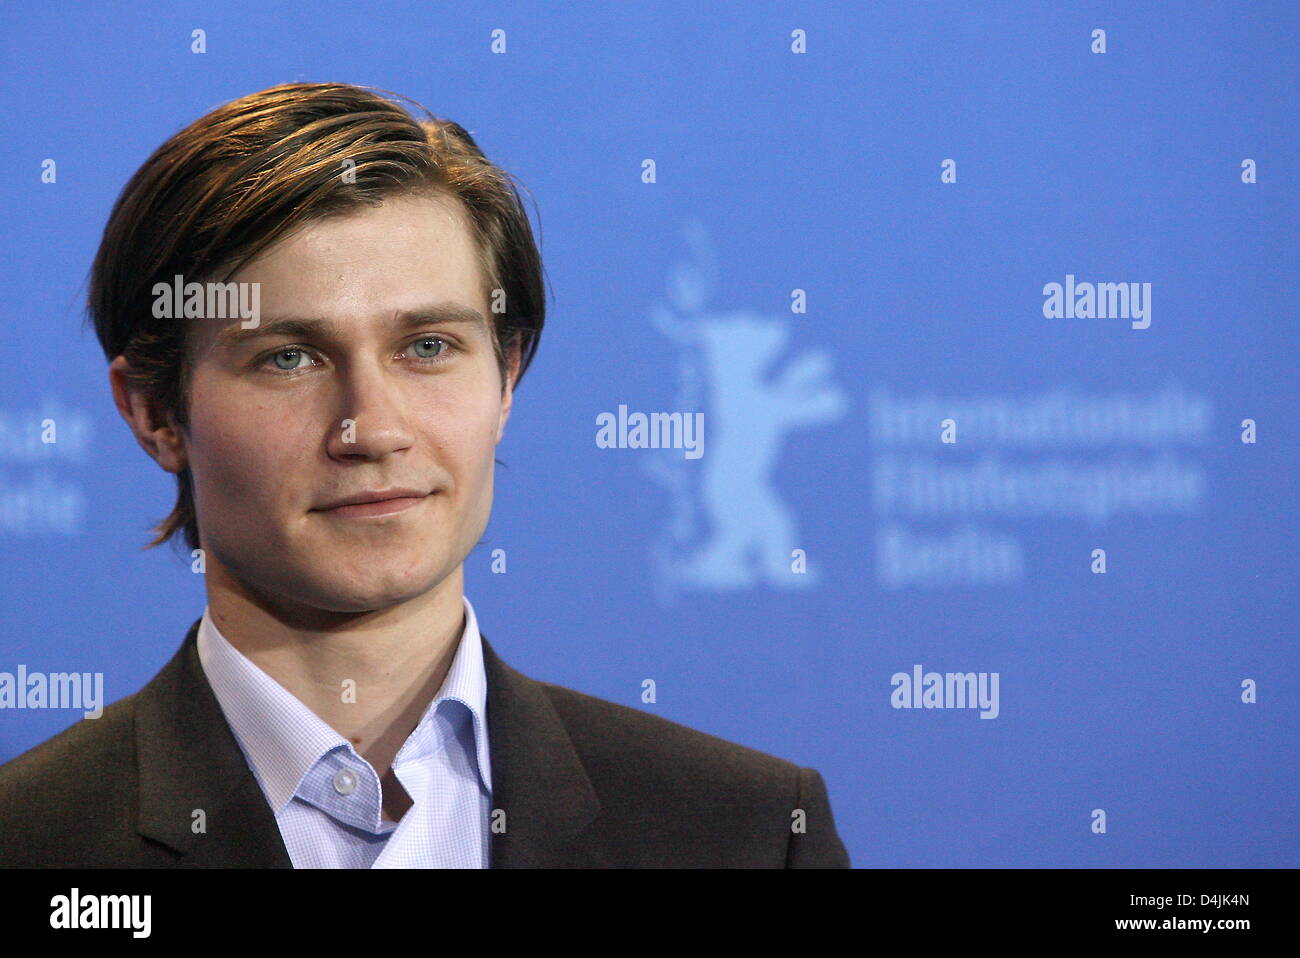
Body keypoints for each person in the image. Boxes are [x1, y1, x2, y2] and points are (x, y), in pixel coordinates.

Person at [0, 82, 849, 868]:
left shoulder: (744, 833)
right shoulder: (33, 842)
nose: (370, 429)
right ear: (153, 411)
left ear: (506, 377)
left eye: (428, 348)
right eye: (289, 357)